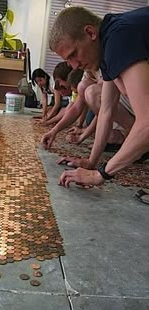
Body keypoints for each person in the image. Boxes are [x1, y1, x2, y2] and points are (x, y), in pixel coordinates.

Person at [48, 5, 149, 189]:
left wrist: (100, 174)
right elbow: (106, 111)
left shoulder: (118, 37)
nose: (74, 66)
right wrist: (91, 162)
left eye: (73, 54)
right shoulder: (107, 48)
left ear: (90, 32)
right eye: (67, 61)